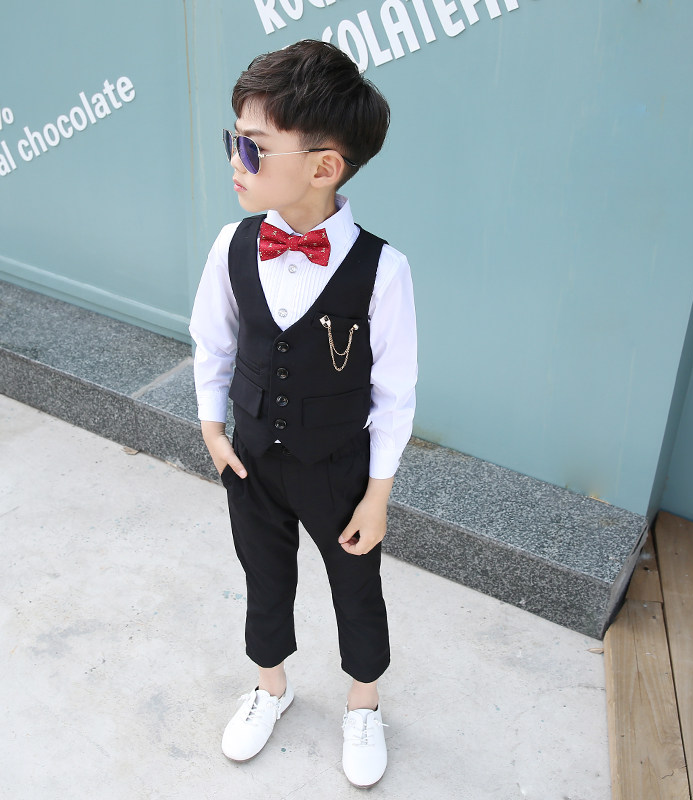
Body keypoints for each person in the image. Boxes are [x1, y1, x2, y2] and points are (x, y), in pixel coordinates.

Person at [189, 39, 417, 788]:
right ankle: (270, 687)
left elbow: (395, 392)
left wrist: (378, 495)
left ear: (324, 168)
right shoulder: (231, 245)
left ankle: (363, 704)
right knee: (263, 577)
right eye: (234, 140)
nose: (236, 160)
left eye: (253, 147)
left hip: (338, 468)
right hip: (252, 458)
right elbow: (214, 342)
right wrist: (213, 429)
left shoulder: (382, 270)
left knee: (356, 587)